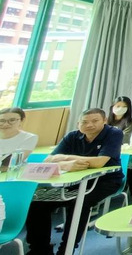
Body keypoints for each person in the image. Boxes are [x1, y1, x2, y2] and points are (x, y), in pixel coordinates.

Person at [26, 108, 123, 255]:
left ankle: (67, 249)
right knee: (38, 203)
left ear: (104, 121)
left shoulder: (113, 133)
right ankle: (40, 249)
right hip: (74, 182)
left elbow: (99, 162)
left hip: (106, 181)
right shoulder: (72, 136)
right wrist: (66, 164)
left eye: (95, 121)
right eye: (84, 122)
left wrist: (64, 158)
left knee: (80, 202)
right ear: (78, 124)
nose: (89, 125)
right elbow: (48, 160)